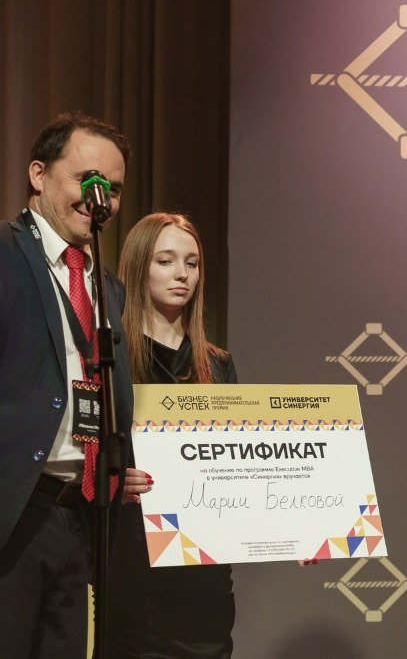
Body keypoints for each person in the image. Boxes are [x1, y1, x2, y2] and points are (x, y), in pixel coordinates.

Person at [0, 112, 149, 657]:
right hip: (15, 512)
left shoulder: (106, 286)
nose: (98, 198)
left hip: (80, 517)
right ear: (38, 174)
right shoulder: (4, 254)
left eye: (112, 188)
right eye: (86, 180)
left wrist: (116, 463)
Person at [105, 212, 237, 658]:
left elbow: (241, 469)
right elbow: (81, 455)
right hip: (135, 577)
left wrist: (299, 529)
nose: (182, 274)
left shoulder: (218, 365)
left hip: (206, 585)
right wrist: (111, 481)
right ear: (138, 266)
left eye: (192, 263)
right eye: (166, 261)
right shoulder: (109, 359)